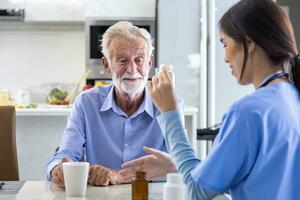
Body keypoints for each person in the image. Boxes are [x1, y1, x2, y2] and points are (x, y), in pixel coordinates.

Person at [120, 0, 300, 199]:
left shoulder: (248, 112)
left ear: (249, 43)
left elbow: (198, 192)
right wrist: (175, 165)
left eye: (225, 44)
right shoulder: (292, 98)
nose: (225, 58)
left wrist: (170, 114)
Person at [45, 21, 180, 187]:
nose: (132, 69)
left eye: (139, 60)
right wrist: (59, 170)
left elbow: (183, 165)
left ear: (149, 63)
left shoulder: (168, 104)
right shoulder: (86, 104)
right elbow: (65, 155)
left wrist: (119, 176)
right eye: (122, 60)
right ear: (107, 65)